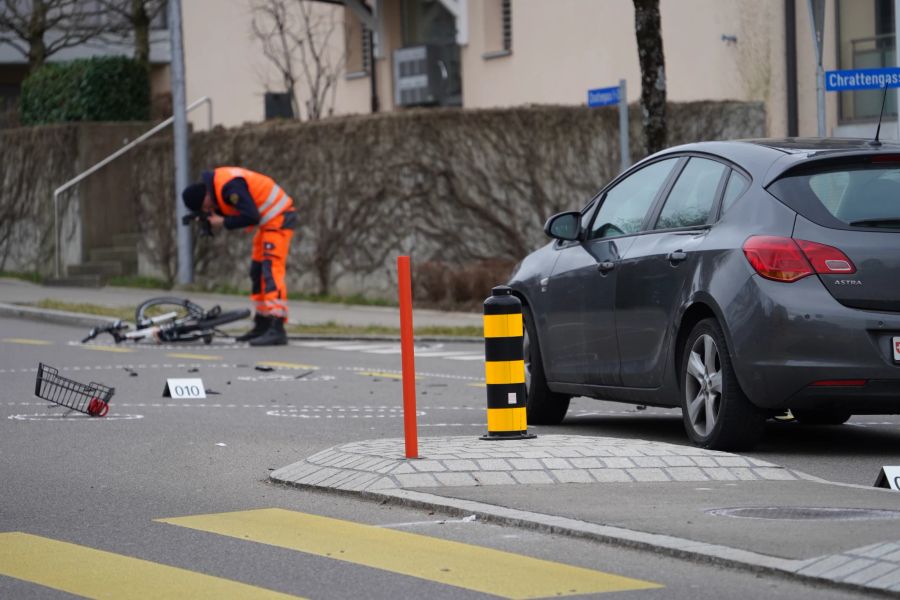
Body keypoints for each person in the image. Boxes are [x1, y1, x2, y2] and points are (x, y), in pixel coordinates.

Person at [182, 167, 296, 346]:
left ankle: (277, 327)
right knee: (257, 271)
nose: (208, 209)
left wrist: (223, 222)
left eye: (205, 207)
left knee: (271, 272)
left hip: (279, 218)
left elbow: (251, 216)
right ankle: (263, 324)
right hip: (268, 223)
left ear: (205, 198)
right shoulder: (219, 186)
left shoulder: (228, 187)